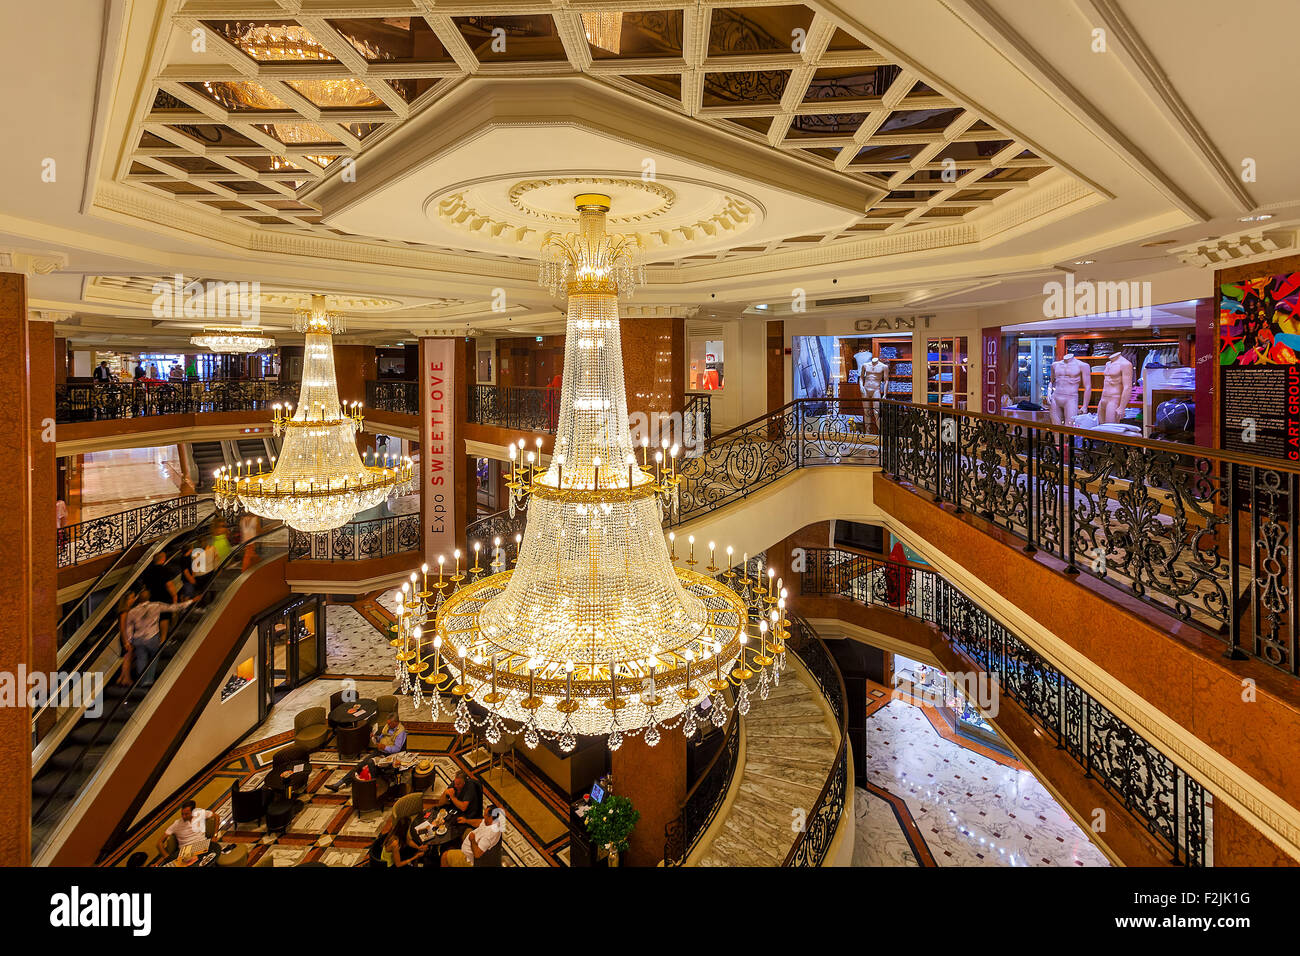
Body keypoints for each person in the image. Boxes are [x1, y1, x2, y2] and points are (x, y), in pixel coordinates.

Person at [122, 587, 195, 688]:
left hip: (138, 639)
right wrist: (191, 601)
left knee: (141, 659)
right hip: (152, 636)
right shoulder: (156, 605)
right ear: (149, 597)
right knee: (154, 657)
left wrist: (129, 641)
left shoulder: (132, 611)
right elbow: (174, 608)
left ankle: (142, 681)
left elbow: (129, 628)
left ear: (138, 599)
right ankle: (149, 680)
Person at [115, 589, 139, 686]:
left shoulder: (128, 610)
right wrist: (125, 641)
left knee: (129, 657)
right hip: (126, 638)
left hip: (129, 637)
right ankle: (126, 679)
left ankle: (122, 677)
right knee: (127, 658)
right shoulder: (124, 612)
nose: (133, 600)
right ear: (125, 600)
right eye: (131, 598)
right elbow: (122, 627)